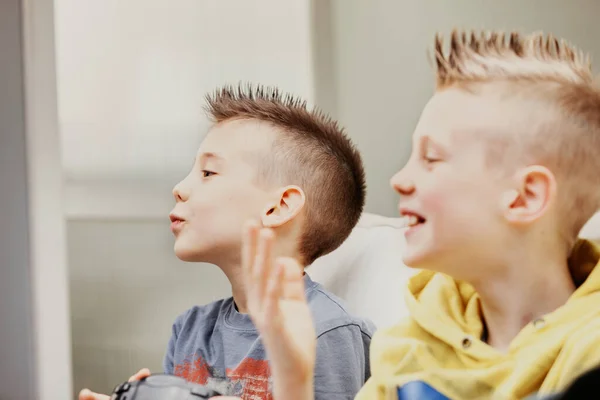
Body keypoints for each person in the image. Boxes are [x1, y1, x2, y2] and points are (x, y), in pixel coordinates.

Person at [238, 30, 600, 400]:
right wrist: (294, 380)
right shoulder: (407, 348)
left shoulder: (591, 351)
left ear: (525, 197)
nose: (399, 179)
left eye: (431, 158)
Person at [78, 84, 376, 400]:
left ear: (279, 207)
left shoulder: (328, 330)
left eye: (208, 172)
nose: (179, 188)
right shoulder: (191, 331)